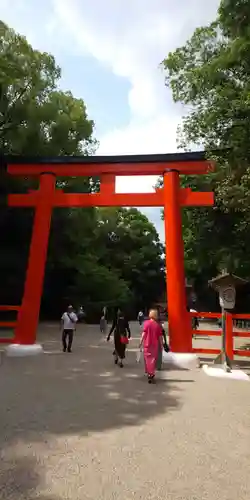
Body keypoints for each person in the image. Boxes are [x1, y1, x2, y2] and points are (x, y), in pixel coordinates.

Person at [139, 309, 163, 383]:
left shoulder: (146, 323)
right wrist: (161, 345)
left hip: (147, 344)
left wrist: (140, 342)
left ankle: (149, 373)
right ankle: (151, 374)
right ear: (156, 316)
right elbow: (160, 337)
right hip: (154, 346)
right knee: (153, 360)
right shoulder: (158, 325)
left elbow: (143, 334)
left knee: (147, 359)